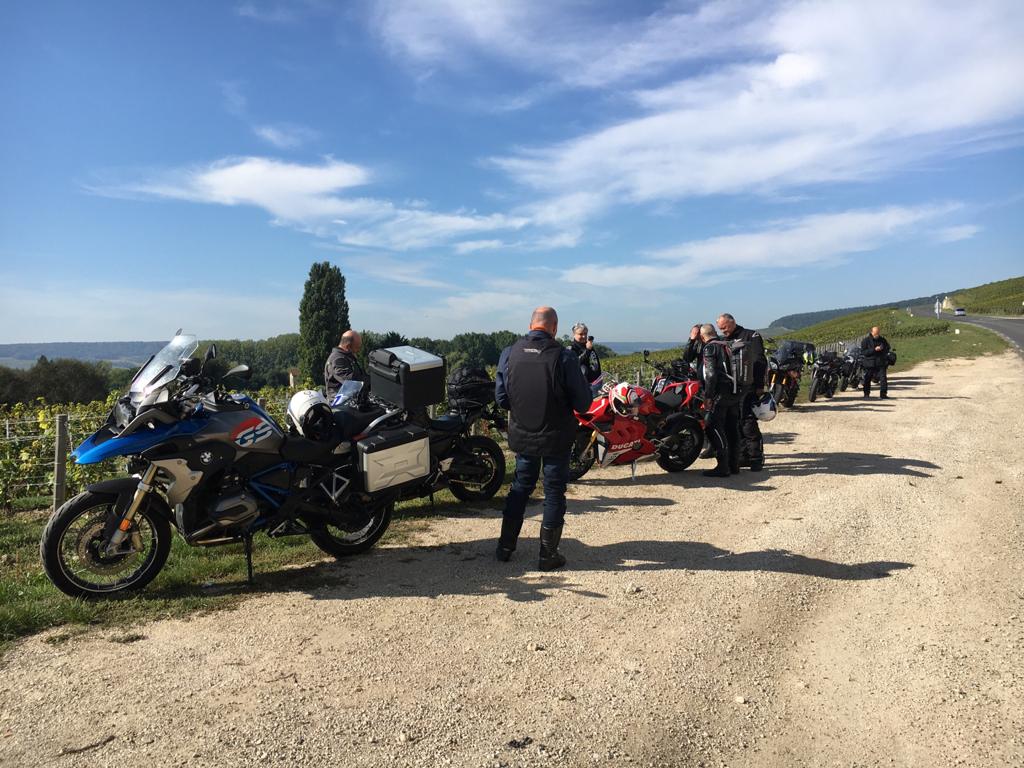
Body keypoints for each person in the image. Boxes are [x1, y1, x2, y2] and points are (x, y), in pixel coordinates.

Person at [495, 307, 593, 570]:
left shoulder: (509, 353)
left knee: (520, 486)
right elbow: (583, 403)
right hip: (556, 436)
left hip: (523, 434)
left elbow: (502, 398)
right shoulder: (564, 356)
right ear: (554, 328)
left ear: (531, 325)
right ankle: (547, 554)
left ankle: (505, 546)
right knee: (553, 491)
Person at [716, 313, 767, 472]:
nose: (723, 331)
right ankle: (742, 456)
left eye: (725, 327)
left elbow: (760, 361)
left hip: (748, 386)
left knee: (747, 422)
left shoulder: (751, 335)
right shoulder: (723, 340)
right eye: (720, 329)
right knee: (735, 422)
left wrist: (759, 385)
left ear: (732, 322)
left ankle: (756, 457)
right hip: (730, 389)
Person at [699, 324, 741, 478]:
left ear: (702, 337)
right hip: (735, 392)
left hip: (720, 393)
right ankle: (734, 464)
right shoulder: (727, 345)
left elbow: (710, 375)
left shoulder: (710, 348)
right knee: (732, 427)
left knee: (712, 426)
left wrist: (708, 396)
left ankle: (723, 466)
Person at [324, 330, 367, 401]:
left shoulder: (346, 357)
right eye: (357, 347)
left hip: (350, 402)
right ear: (348, 346)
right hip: (341, 404)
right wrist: (372, 381)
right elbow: (352, 381)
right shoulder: (337, 359)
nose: (358, 350)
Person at [860, 326, 891, 399]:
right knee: (867, 378)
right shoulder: (866, 341)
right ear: (872, 332)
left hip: (880, 362)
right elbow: (864, 352)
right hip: (870, 362)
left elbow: (887, 348)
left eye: (878, 333)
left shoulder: (882, 340)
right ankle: (866, 394)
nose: (877, 335)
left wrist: (882, 349)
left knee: (883, 378)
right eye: (875, 333)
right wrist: (874, 350)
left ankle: (883, 394)